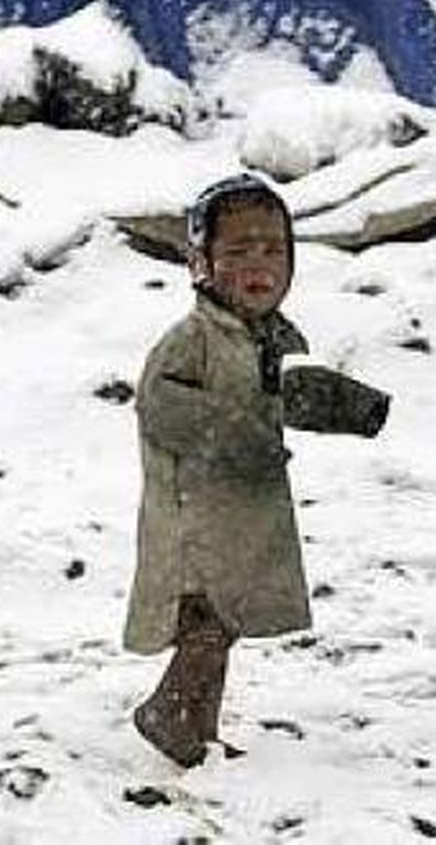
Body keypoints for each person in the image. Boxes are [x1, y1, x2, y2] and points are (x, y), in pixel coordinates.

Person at [124, 173, 390, 767]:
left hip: (235, 517)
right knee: (208, 622)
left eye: (273, 249)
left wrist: (335, 405)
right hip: (194, 517)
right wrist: (239, 436)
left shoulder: (256, 341)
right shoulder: (191, 341)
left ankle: (196, 725)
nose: (259, 263)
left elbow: (271, 401)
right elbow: (162, 405)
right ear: (202, 264)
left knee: (223, 621)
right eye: (238, 250)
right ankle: (170, 714)